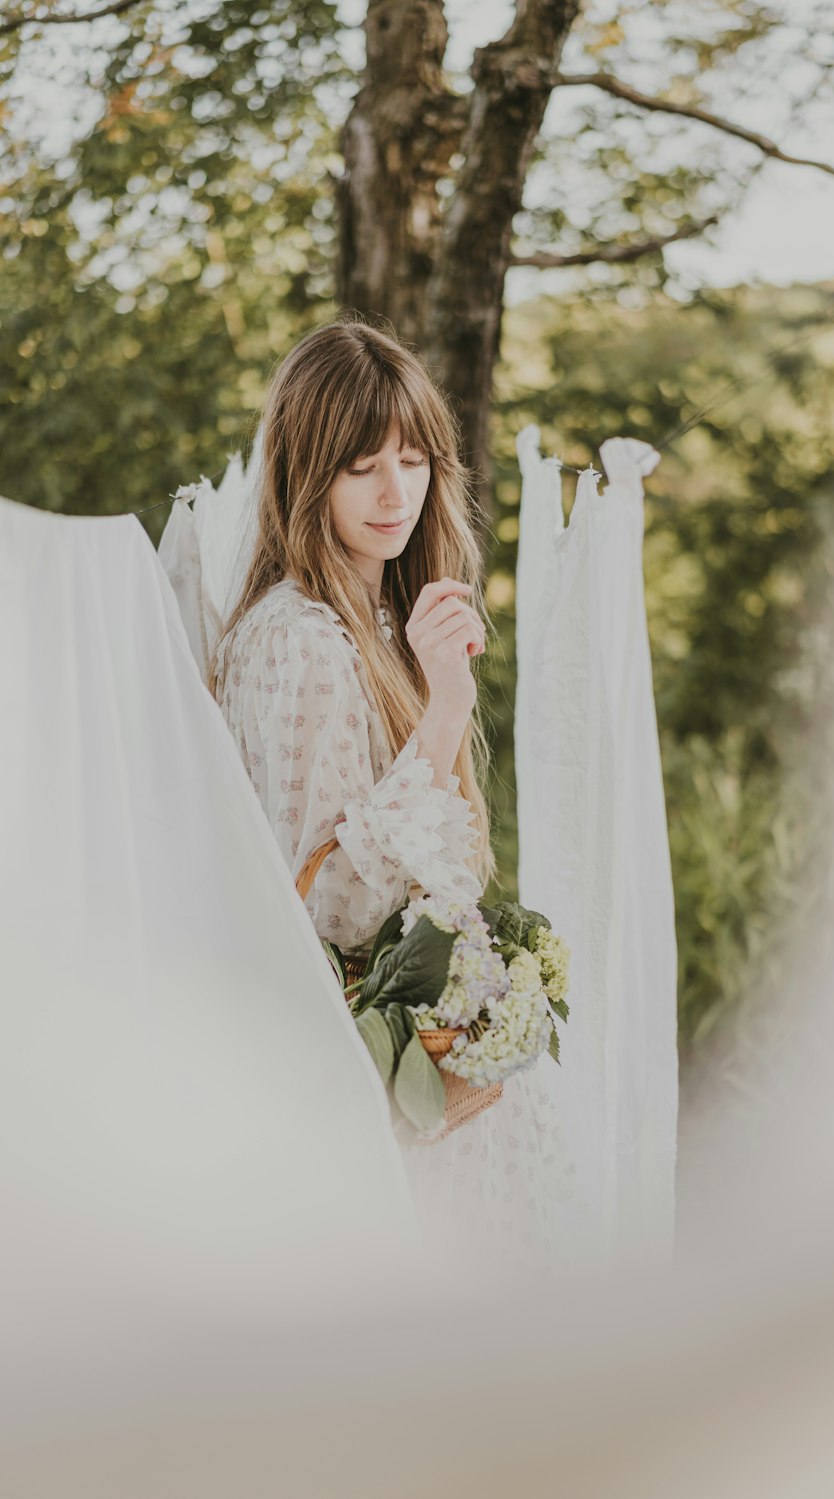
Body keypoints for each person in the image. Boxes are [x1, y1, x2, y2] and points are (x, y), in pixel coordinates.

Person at [211, 318, 581, 1257]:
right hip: (365, 1074)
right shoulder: (306, 641)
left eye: (413, 460)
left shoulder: (364, 618)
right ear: (307, 473)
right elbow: (335, 898)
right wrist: (447, 702)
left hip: (410, 1066)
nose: (394, 492)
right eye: (360, 465)